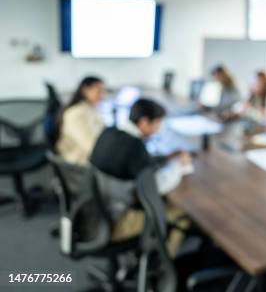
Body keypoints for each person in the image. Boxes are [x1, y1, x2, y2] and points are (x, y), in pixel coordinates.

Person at [90, 98, 192, 255]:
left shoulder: (110, 131)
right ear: (144, 122)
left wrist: (166, 158)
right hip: (118, 221)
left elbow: (135, 164)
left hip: (95, 213)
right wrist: (180, 166)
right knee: (181, 216)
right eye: (157, 124)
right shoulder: (134, 146)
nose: (158, 129)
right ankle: (163, 270)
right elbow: (158, 186)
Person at [55, 76, 106, 165]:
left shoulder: (90, 109)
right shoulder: (75, 114)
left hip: (89, 158)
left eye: (103, 91)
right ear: (85, 90)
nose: (102, 95)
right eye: (98, 91)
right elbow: (89, 146)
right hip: (79, 162)